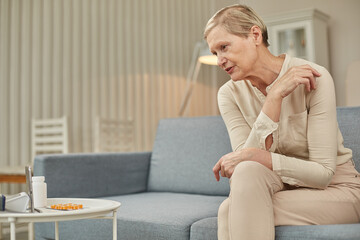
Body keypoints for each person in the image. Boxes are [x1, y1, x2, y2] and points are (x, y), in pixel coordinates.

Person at [203, 4, 360, 240]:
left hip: (336, 191)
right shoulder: (228, 94)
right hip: (283, 190)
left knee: (230, 209)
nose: (220, 60)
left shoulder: (314, 77)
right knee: (246, 172)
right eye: (215, 53)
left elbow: (323, 174)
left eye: (224, 47)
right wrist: (273, 98)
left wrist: (251, 155)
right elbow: (242, 167)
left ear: (255, 35)